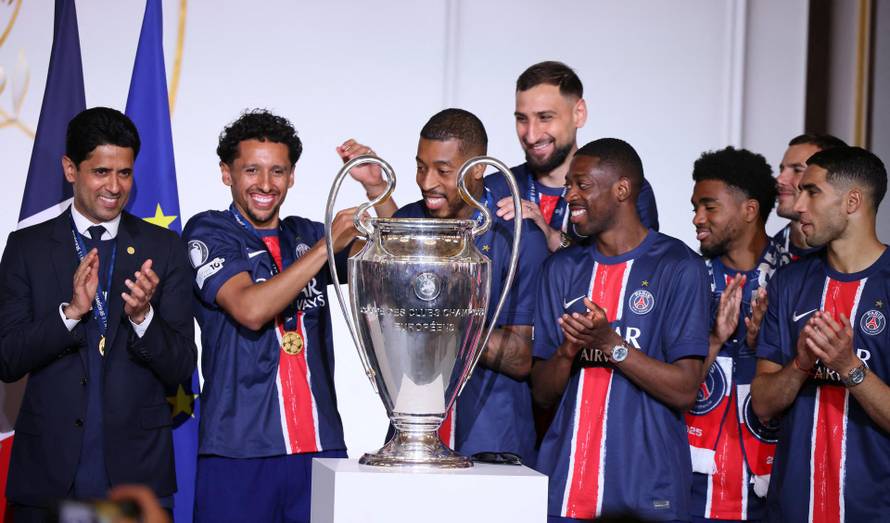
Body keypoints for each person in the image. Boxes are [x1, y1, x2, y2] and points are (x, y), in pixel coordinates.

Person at [0, 107, 197, 521]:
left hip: (136, 479)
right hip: (47, 477)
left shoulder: (163, 248)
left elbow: (182, 365)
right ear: (70, 169)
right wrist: (70, 313)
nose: (115, 186)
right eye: (101, 172)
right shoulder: (27, 247)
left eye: (124, 173)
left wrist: (143, 317)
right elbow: (8, 357)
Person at [182, 110, 367, 523]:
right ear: (226, 174)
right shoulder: (209, 231)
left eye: (277, 171)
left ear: (292, 176)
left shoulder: (305, 233)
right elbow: (250, 309)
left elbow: (392, 261)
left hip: (320, 445)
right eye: (252, 170)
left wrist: (375, 187)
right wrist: (326, 247)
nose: (265, 184)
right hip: (238, 449)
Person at [531, 138, 709, 522]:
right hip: (565, 490)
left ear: (622, 190)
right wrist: (567, 351)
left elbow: (684, 390)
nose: (570, 196)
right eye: (568, 185)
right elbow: (542, 394)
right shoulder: (560, 269)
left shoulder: (680, 267)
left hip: (648, 495)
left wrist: (611, 344)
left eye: (582, 185)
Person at [359, 108, 548, 463]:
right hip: (410, 436)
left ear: (477, 169)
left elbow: (520, 357)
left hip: (491, 442)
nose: (427, 182)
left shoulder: (518, 236)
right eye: (421, 167)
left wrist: (440, 314)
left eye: (443, 171)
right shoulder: (406, 222)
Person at [751, 147, 890, 522]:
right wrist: (800, 364)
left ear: (852, 202)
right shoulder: (789, 282)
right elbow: (762, 403)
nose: (798, 206)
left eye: (812, 192)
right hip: (792, 509)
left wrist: (848, 367)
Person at [686, 147, 786, 522]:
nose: (697, 218)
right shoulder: (687, 276)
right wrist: (713, 339)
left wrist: (768, 348)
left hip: (770, 489)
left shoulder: (794, 278)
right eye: (695, 207)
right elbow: (670, 385)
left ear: (749, 210)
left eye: (709, 207)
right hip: (690, 490)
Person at [492, 61, 659, 251]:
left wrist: (551, 237)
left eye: (545, 117)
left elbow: (633, 263)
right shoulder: (496, 188)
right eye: (522, 119)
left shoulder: (621, 189)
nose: (531, 136)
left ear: (579, 114)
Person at [773, 133, 846, 260]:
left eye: (797, 170)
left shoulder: (854, 261)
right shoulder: (763, 257)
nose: (779, 179)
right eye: (781, 170)